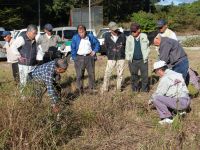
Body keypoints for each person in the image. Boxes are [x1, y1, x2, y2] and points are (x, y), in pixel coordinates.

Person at [149, 60, 190, 125]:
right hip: (187, 101)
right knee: (168, 96)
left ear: (159, 70)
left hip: (179, 102)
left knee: (156, 98)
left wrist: (150, 101)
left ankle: (167, 118)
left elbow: (159, 94)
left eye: (155, 71)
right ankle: (180, 111)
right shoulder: (177, 74)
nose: (156, 74)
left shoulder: (165, 78)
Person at [71, 25, 100, 94]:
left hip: (89, 57)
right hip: (79, 58)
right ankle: (79, 90)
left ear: (85, 31)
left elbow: (97, 44)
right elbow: (73, 48)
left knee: (91, 74)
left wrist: (94, 51)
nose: (81, 34)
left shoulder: (90, 36)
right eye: (79, 32)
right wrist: (75, 58)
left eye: (82, 32)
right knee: (79, 75)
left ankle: (91, 88)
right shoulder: (75, 38)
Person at [11, 24, 40, 89]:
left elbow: (38, 49)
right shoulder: (21, 38)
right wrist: (19, 56)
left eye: (36, 33)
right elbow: (13, 46)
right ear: (29, 32)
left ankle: (31, 95)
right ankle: (23, 97)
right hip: (24, 65)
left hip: (33, 64)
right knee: (23, 81)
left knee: (32, 80)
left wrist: (38, 58)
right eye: (34, 33)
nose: (35, 35)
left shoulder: (35, 39)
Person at [101, 21, 126, 93]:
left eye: (116, 29)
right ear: (110, 29)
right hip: (111, 57)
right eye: (113, 29)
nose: (115, 30)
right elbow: (106, 46)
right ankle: (105, 88)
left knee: (120, 74)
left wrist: (121, 51)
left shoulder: (122, 36)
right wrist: (109, 53)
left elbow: (125, 45)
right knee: (107, 73)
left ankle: (119, 89)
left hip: (121, 57)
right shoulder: (106, 36)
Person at [125, 23, 150, 92]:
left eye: (134, 31)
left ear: (139, 30)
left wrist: (147, 55)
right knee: (134, 76)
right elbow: (127, 49)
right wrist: (128, 58)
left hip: (143, 60)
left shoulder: (144, 36)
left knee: (144, 76)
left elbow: (148, 47)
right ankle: (135, 90)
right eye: (131, 31)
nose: (133, 33)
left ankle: (144, 90)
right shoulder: (129, 38)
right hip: (133, 61)